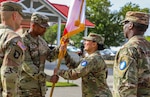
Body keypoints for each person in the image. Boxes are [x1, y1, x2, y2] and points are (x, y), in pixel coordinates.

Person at [55, 33, 112, 97]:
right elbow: (74, 66)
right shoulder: (90, 58)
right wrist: (65, 54)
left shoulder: (93, 59)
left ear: (94, 44)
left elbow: (76, 73)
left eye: (87, 41)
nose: (84, 43)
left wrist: (59, 72)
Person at [19, 13, 59, 97]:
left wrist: (61, 48)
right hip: (26, 90)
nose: (45, 30)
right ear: (33, 25)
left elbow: (50, 57)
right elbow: (27, 65)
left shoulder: (42, 41)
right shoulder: (21, 41)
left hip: (40, 89)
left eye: (46, 27)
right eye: (42, 27)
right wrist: (49, 78)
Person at [113, 11, 150, 97]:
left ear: (130, 25)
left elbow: (126, 87)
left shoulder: (129, 49)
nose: (123, 27)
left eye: (124, 24)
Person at [0, 1, 26, 97]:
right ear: (15, 15)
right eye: (21, 16)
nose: (22, 19)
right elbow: (9, 74)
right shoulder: (14, 39)